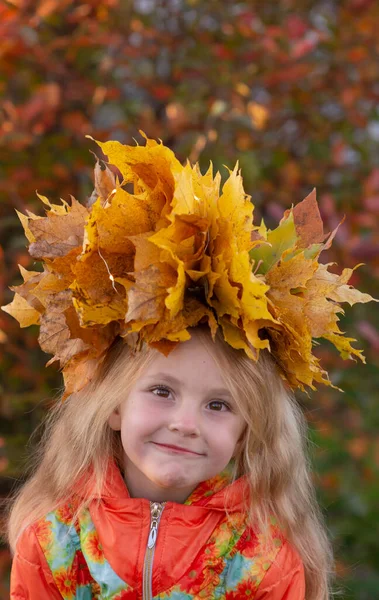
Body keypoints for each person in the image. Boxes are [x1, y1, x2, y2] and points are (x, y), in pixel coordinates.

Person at [3, 135, 376, 600]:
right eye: (162, 391)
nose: (185, 424)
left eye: (219, 404)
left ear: (246, 430)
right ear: (113, 406)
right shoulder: (55, 544)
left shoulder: (261, 564)